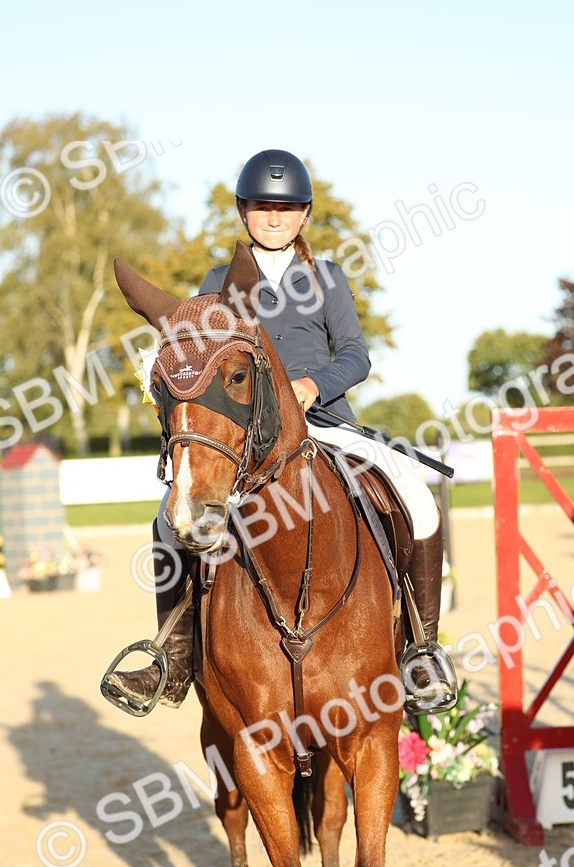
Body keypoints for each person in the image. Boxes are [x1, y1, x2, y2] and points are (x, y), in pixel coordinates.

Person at [105, 149, 457, 716]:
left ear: (305, 216)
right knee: (170, 519)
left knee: (417, 498)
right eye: (263, 208)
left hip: (328, 426)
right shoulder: (218, 282)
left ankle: (420, 648)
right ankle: (169, 657)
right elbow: (200, 358)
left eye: (286, 208)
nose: (274, 218)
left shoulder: (327, 278)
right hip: (250, 444)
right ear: (244, 212)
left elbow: (356, 356)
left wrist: (314, 385)